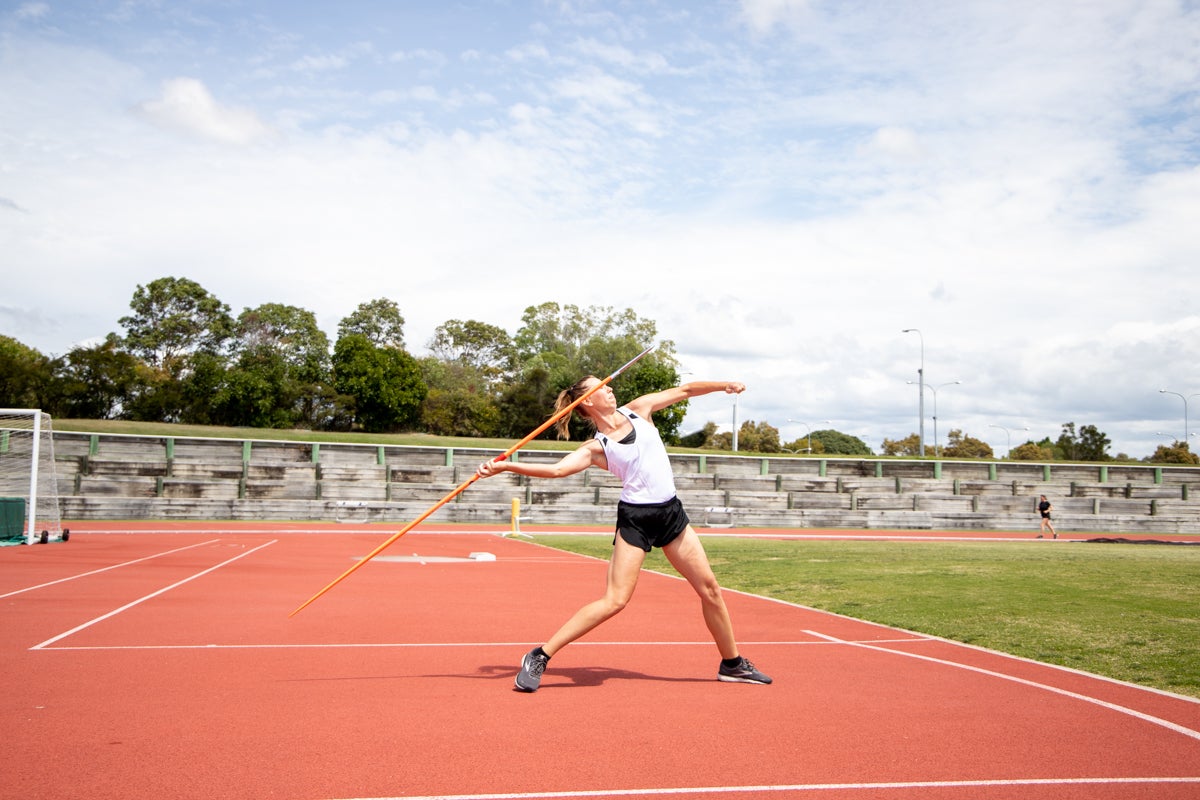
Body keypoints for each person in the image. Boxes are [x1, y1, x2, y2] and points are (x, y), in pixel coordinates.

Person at [475, 375, 772, 692]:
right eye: (601, 386)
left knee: (710, 588)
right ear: (587, 401)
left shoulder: (640, 409)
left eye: (607, 383)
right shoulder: (596, 448)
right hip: (636, 519)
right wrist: (507, 467)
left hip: (670, 512)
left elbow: (685, 390)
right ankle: (540, 655)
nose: (610, 388)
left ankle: (733, 664)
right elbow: (557, 470)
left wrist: (721, 385)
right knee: (615, 601)